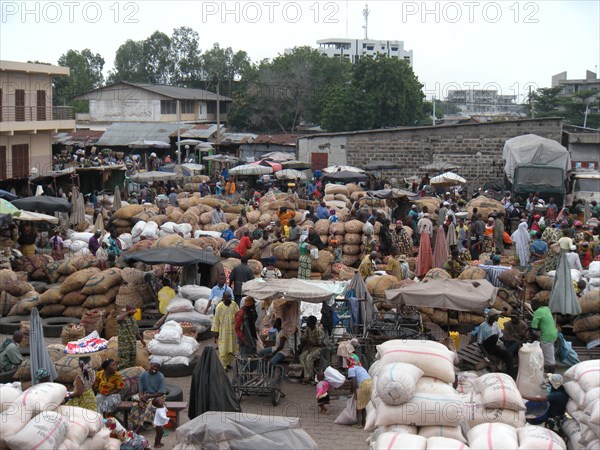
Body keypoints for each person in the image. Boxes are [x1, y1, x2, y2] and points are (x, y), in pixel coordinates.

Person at [130, 357, 166, 434]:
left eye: (157, 367)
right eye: (154, 366)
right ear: (150, 365)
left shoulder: (160, 376)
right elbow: (141, 389)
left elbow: (161, 392)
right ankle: (136, 424)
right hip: (146, 395)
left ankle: (140, 426)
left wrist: (147, 397)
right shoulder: (143, 375)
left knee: (149, 406)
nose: (155, 368)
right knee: (135, 405)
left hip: (157, 396)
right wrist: (141, 398)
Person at [477, 308, 516, 379]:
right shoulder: (483, 326)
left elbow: (501, 337)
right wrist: (486, 354)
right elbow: (479, 343)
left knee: (508, 354)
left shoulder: (495, 325)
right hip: (486, 346)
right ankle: (488, 353)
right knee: (494, 337)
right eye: (497, 315)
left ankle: (510, 377)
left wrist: (513, 340)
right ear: (492, 316)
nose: (498, 317)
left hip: (493, 347)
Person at [211, 291, 239, 370]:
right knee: (223, 349)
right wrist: (215, 334)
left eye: (230, 298)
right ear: (223, 298)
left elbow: (238, 315)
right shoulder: (219, 307)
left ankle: (228, 363)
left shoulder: (234, 305)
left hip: (233, 331)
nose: (229, 299)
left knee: (232, 349)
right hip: (223, 332)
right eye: (227, 298)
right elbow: (216, 320)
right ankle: (223, 366)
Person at [531, 299, 558, 373]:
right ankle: (546, 372)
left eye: (532, 306)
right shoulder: (546, 309)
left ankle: (551, 378)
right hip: (553, 334)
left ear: (534, 306)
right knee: (548, 355)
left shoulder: (537, 312)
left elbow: (534, 326)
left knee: (550, 360)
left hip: (546, 336)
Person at [346, 354, 372, 428]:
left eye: (347, 361)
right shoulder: (360, 367)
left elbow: (354, 382)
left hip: (363, 385)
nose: (346, 362)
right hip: (371, 383)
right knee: (365, 403)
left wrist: (355, 392)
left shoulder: (351, 368)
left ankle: (359, 424)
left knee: (359, 405)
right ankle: (364, 421)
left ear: (350, 361)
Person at [298, 315, 326, 384]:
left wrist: (310, 343)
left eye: (308, 321)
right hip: (311, 348)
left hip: (319, 349)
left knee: (309, 357)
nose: (307, 322)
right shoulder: (308, 329)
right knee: (302, 356)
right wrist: (300, 348)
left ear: (312, 322)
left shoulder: (318, 331)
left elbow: (320, 344)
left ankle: (310, 376)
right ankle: (306, 375)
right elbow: (304, 339)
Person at [117, 304, 146, 370]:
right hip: (124, 344)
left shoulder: (133, 318)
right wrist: (127, 312)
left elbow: (136, 331)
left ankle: (130, 374)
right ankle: (122, 375)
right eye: (133, 311)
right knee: (124, 361)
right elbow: (118, 319)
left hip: (132, 343)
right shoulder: (122, 317)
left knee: (132, 359)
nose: (134, 312)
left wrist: (141, 340)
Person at [416, 213, 433, 277]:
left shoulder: (420, 220)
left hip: (422, 236)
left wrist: (420, 232)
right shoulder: (430, 222)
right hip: (427, 237)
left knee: (422, 250)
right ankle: (428, 265)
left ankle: (422, 267)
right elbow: (431, 232)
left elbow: (418, 228)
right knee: (427, 250)